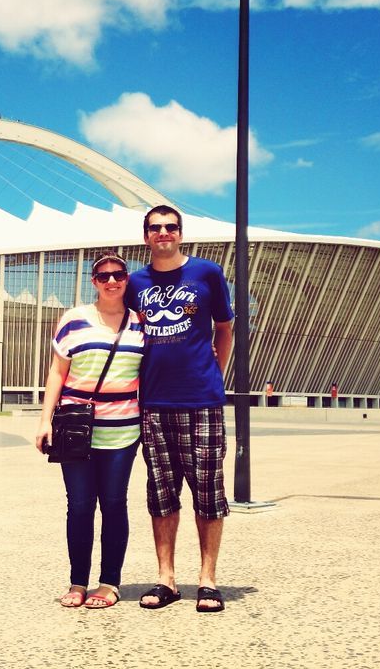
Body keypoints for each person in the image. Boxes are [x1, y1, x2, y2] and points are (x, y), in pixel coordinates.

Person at [125, 204, 234, 613]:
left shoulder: (207, 273)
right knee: (162, 493)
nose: (164, 234)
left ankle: (208, 580)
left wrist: (215, 372)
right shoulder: (135, 282)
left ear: (181, 232)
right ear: (146, 236)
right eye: (156, 228)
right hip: (153, 402)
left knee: (208, 493)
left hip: (202, 400)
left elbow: (224, 329)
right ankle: (166, 578)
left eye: (171, 227)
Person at [35, 253, 145, 609]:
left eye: (118, 275)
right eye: (103, 276)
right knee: (80, 505)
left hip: (123, 429)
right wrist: (44, 419)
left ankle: (109, 582)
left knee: (114, 504)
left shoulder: (140, 322)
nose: (112, 281)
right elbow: (57, 372)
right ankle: (77, 581)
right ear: (93, 281)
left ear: (127, 279)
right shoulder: (74, 319)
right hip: (76, 426)